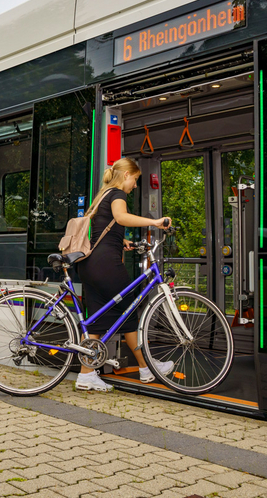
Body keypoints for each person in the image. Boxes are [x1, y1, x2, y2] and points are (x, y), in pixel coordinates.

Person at [75, 157, 171, 391]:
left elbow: (103, 230)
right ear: (126, 175)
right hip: (106, 264)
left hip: (89, 264)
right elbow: (120, 218)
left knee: (97, 321)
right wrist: (155, 222)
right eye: (136, 180)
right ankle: (147, 367)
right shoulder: (118, 194)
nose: (135, 186)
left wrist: (123, 241)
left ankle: (86, 375)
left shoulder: (103, 195)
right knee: (129, 310)